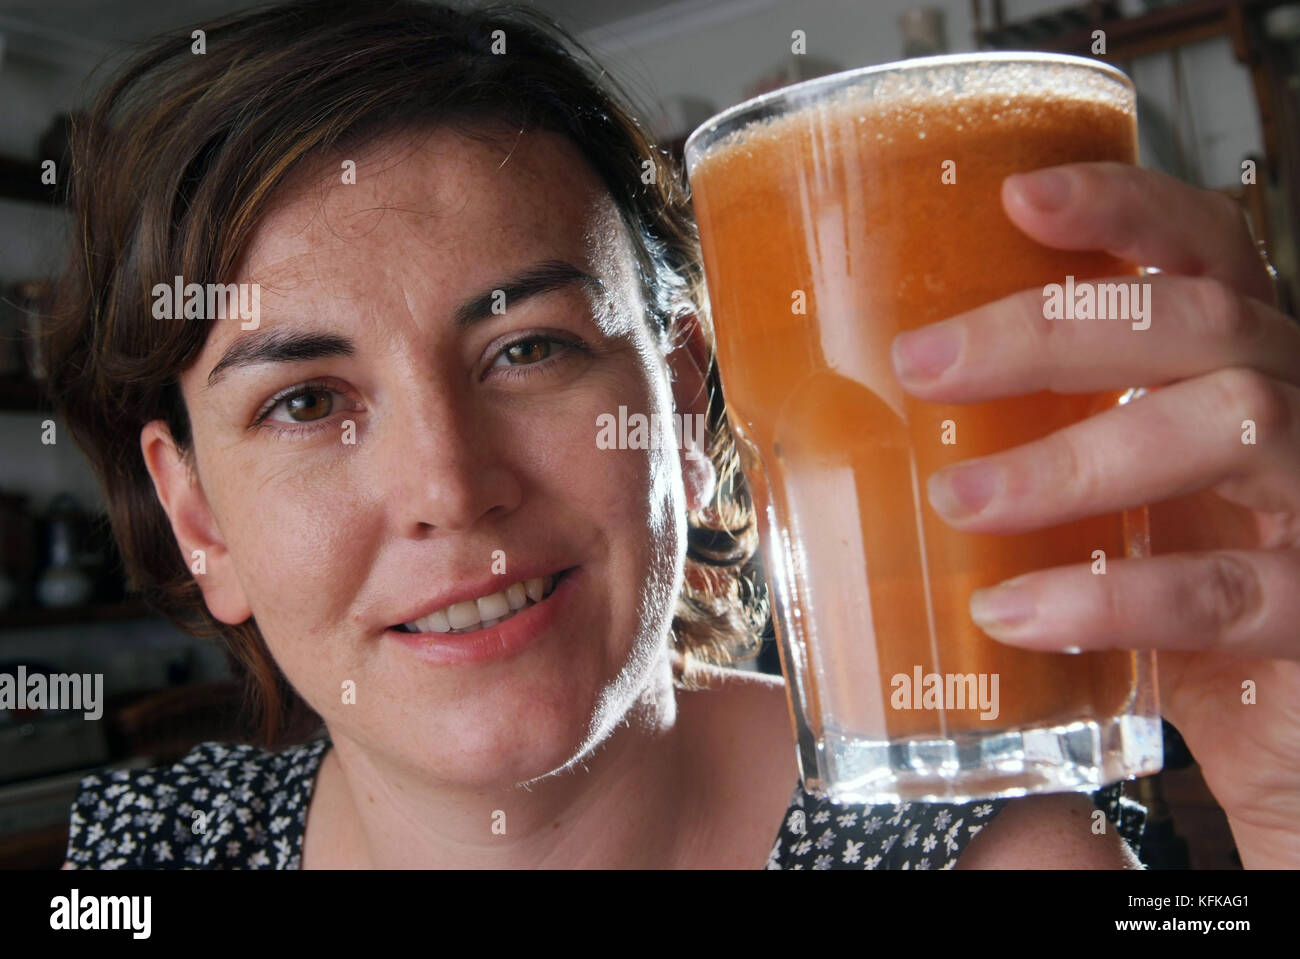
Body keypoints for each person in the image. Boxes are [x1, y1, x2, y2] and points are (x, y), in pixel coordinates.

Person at [49, 0, 1298, 869]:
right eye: (307, 401)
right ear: (197, 515)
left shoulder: (993, 848)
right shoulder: (132, 855)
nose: (448, 485)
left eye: (529, 347)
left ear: (686, 403)